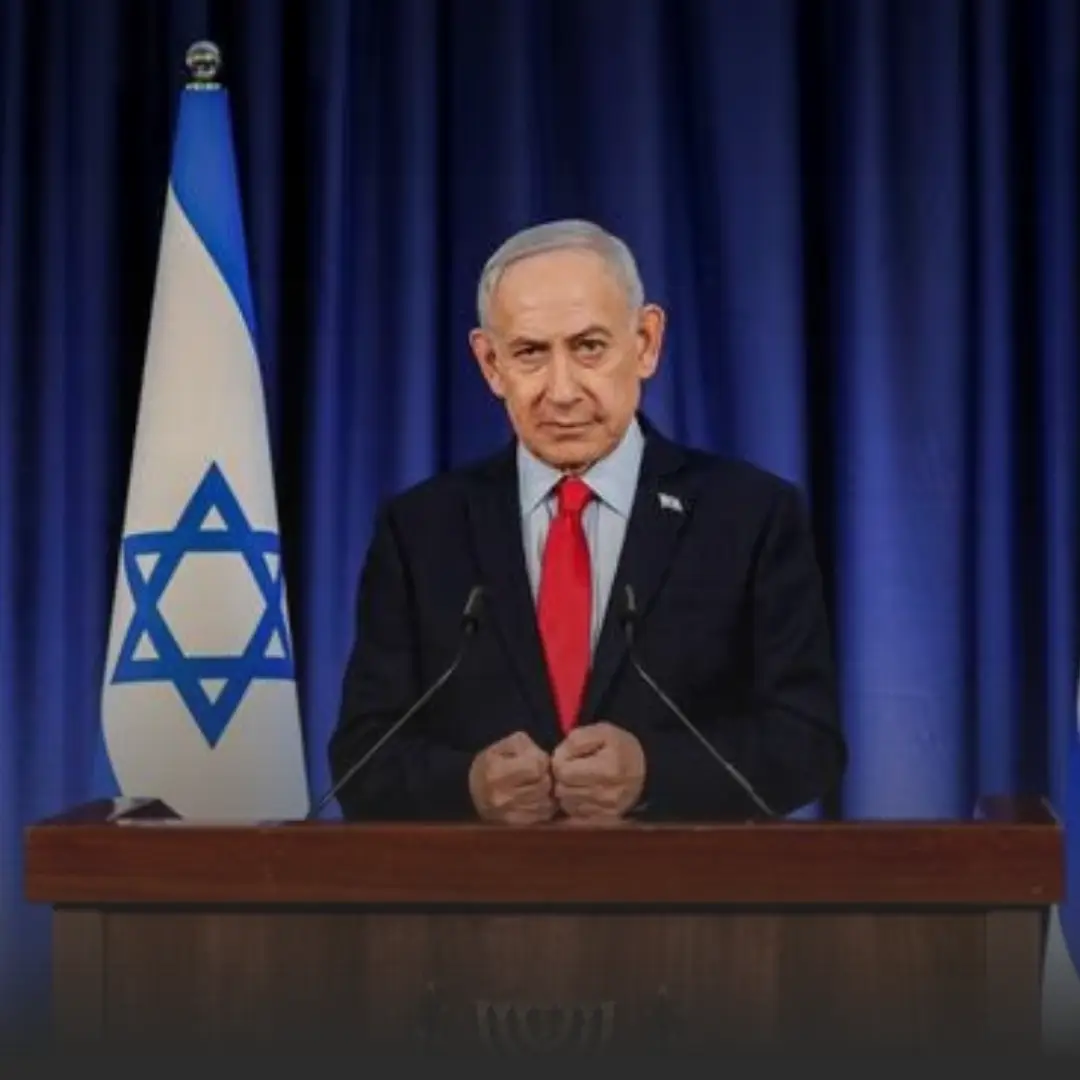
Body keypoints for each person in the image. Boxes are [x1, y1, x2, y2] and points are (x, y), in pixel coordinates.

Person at [328, 219, 846, 823]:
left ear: (646, 342)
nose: (562, 390)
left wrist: (654, 772)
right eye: (530, 353)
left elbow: (807, 742)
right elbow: (362, 757)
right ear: (490, 363)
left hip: (687, 880)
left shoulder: (749, 515)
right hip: (483, 882)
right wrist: (466, 785)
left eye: (589, 347)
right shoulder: (421, 530)